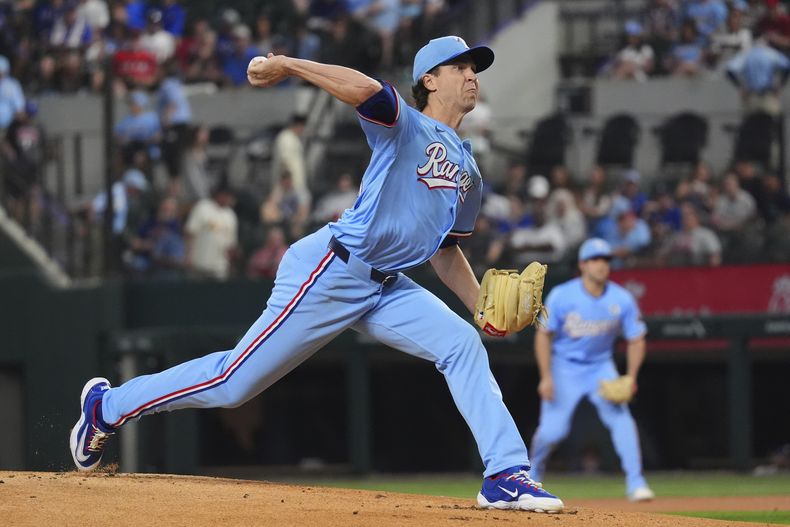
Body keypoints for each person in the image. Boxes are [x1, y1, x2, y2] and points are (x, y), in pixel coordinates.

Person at [69, 35, 565, 513]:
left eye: (474, 68)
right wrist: (287, 64)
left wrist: (480, 308)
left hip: (388, 286)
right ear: (429, 81)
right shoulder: (404, 125)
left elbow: (445, 251)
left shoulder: (469, 170)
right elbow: (365, 89)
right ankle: (108, 407)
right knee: (233, 383)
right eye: (460, 67)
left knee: (462, 344)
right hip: (333, 269)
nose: (472, 76)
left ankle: (505, 473)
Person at [529, 238, 655, 502]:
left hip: (600, 367)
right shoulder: (562, 295)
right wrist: (545, 377)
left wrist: (631, 376)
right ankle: (533, 473)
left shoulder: (622, 298)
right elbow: (543, 335)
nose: (601, 265)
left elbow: (637, 338)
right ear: (582, 265)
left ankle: (636, 482)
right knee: (553, 431)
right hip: (565, 367)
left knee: (622, 421)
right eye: (595, 260)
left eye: (606, 260)